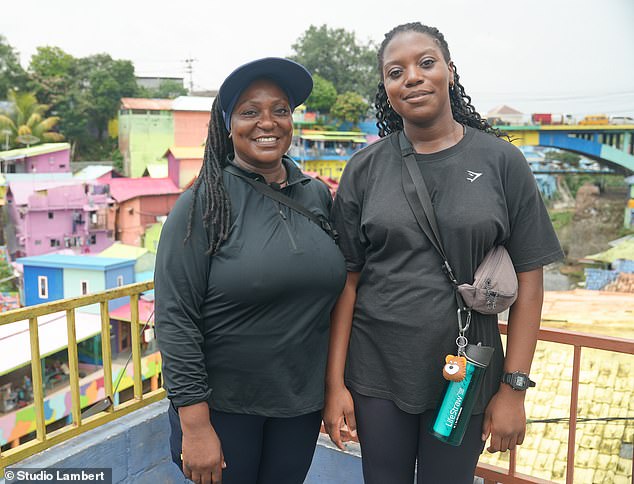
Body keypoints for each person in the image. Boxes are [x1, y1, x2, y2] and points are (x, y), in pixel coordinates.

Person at [324, 22, 564, 484]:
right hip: (377, 371)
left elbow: (531, 285)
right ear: (387, 89)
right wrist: (335, 385)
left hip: (468, 371)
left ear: (450, 73)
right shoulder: (365, 169)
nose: (412, 77)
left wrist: (514, 390)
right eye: (396, 72)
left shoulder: (501, 162)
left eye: (425, 63)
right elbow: (348, 283)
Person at [154, 57, 346, 484]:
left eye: (280, 110)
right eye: (249, 111)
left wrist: (335, 388)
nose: (268, 122)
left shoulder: (316, 196)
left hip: (298, 407)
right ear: (227, 125)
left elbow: (341, 294)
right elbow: (175, 320)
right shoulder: (201, 205)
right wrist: (196, 426)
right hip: (224, 410)